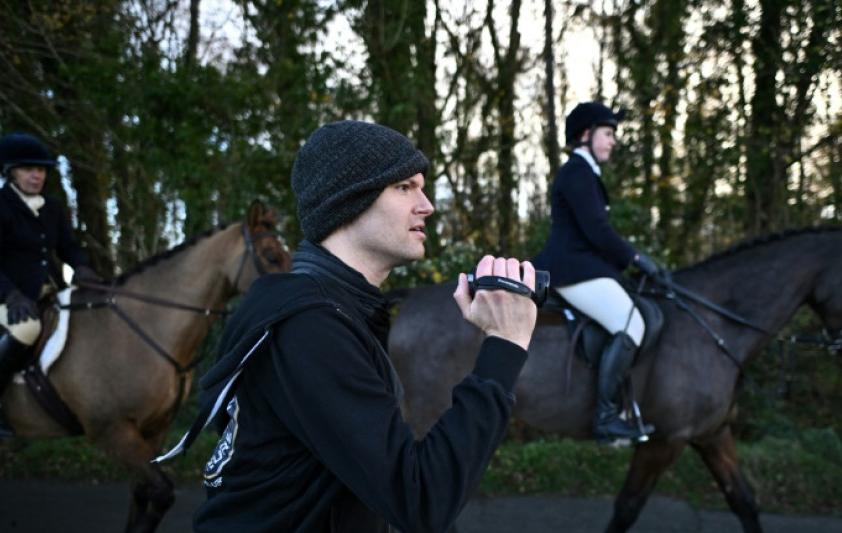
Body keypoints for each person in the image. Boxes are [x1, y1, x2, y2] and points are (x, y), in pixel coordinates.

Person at [157, 120, 539, 532]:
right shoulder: (308, 326)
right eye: (405, 187)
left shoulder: (335, 311)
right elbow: (420, 499)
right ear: (349, 202)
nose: (427, 205)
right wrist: (505, 344)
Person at [533, 102, 657, 444]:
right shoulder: (577, 172)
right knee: (632, 324)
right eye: (608, 133)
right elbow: (597, 230)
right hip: (572, 269)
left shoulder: (585, 172)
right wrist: (636, 258)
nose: (613, 141)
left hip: (585, 267)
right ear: (587, 135)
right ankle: (606, 417)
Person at [0, 133, 101, 436]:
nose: (37, 175)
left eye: (42, 169)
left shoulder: (51, 207)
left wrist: (81, 267)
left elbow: (67, 246)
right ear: (9, 171)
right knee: (27, 329)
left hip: (49, 290)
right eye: (28, 169)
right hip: (2, 293)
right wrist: (10, 294)